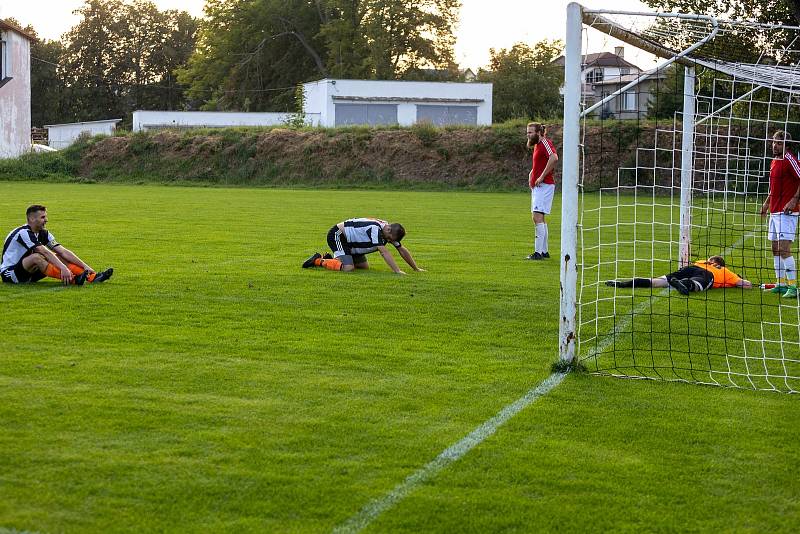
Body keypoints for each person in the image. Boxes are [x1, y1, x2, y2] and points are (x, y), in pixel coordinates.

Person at [1, 205, 113, 286]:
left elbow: (63, 251)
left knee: (59, 256)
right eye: (43, 217)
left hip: (29, 272)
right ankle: (74, 279)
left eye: (46, 217)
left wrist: (85, 266)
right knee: (37, 257)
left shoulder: (44, 233)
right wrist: (63, 268)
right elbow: (44, 252)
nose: (46, 220)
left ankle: (93, 277)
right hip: (11, 275)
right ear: (31, 219)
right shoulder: (23, 233)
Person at [302, 218, 424, 275]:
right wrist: (397, 271)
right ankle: (318, 260)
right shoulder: (375, 229)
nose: (389, 241)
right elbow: (384, 252)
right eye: (389, 239)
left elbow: (401, 249)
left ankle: (332, 259)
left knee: (363, 267)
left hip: (352, 242)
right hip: (338, 235)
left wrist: (416, 268)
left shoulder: (388, 231)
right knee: (348, 268)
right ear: (388, 230)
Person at [760, 130, 800, 298]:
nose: (774, 145)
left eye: (778, 143)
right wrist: (766, 204)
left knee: (784, 249)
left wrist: (793, 200)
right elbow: (774, 188)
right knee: (775, 249)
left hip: (788, 212)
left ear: (786, 145)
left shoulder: (790, 159)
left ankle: (793, 287)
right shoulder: (774, 161)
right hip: (775, 211)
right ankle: (781, 284)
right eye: (774, 142)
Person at [605, 256, 752, 294]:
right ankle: (683, 283)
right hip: (707, 275)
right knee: (696, 284)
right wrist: (738, 279)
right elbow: (746, 285)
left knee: (656, 281)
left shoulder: (701, 261)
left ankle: (623, 283)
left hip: (691, 267)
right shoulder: (726, 272)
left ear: (711, 260)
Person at [525, 122, 559, 260]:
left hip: (544, 185)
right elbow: (539, 163)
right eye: (527, 132)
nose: (528, 135)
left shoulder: (545, 143)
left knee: (537, 217)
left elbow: (554, 158)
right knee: (541, 218)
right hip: (539, 186)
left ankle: (538, 253)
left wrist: (541, 176)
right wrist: (531, 174)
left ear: (538, 132)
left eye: (530, 132)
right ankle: (544, 251)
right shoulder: (537, 145)